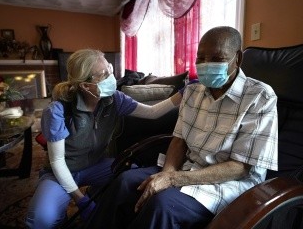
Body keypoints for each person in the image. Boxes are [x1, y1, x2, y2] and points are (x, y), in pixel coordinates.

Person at [85, 26, 278, 229]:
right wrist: (167, 173)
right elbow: (180, 140)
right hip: (187, 168)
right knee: (125, 182)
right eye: (200, 58)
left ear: (237, 59)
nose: (206, 65)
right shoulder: (193, 92)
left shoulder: (259, 97)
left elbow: (241, 168)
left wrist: (172, 179)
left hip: (227, 184)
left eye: (217, 58)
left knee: (162, 204)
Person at [25, 49, 185, 228]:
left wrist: (182, 93)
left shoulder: (115, 100)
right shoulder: (58, 111)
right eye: (104, 74)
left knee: (135, 179)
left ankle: (99, 194)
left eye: (110, 69)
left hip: (96, 166)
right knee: (40, 220)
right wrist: (80, 199)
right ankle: (63, 212)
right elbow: (57, 162)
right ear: (86, 86)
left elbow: (152, 112)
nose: (112, 77)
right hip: (62, 171)